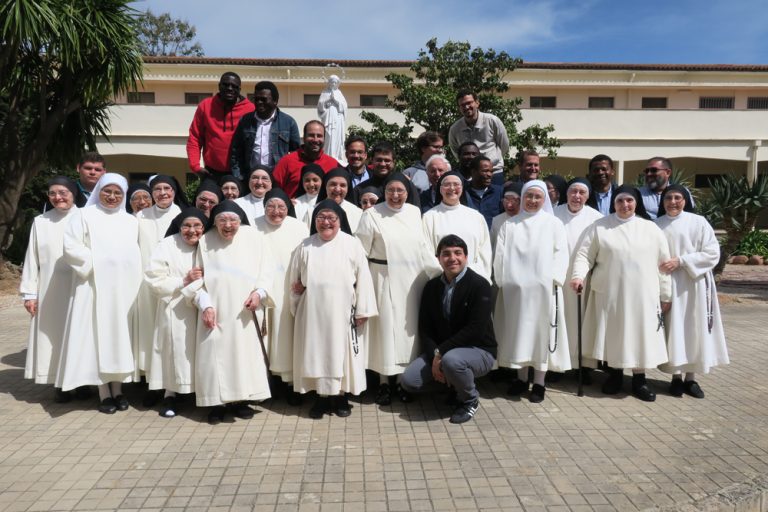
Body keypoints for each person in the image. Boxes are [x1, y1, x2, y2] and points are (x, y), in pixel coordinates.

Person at [570, 185, 672, 402]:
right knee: (613, 336)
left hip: (642, 295)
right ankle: (615, 376)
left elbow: (663, 264)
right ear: (614, 203)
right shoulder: (600, 227)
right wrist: (578, 276)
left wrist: (665, 294)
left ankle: (639, 380)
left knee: (639, 337)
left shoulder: (651, 229)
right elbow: (584, 256)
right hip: (610, 293)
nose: (625, 205)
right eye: (620, 201)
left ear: (636, 203)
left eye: (629, 201)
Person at [58, 173, 142, 414]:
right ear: (99, 192)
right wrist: (99, 263)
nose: (112, 197)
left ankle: (118, 389)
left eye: (118, 193)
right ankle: (103, 392)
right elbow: (71, 247)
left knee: (118, 338)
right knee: (97, 337)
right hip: (93, 287)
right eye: (107, 191)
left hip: (123, 290)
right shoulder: (83, 216)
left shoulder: (131, 221)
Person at [288, 199, 377, 419]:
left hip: (343, 309)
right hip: (312, 312)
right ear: (314, 221)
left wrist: (363, 310)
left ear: (340, 221)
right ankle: (321, 398)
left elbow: (364, 278)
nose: (326, 222)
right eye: (321, 218)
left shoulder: (352, 244)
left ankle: (340, 397)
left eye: (331, 218)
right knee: (317, 353)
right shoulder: (304, 245)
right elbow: (294, 279)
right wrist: (297, 298)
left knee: (342, 354)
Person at [356, 174, 438, 406]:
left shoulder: (413, 213)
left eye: (400, 190)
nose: (395, 195)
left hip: (412, 280)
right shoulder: (372, 214)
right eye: (391, 190)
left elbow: (423, 246)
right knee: (384, 330)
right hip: (382, 278)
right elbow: (360, 251)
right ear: (385, 192)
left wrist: (440, 272)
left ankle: (404, 381)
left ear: (407, 191)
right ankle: (384, 382)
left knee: (407, 331)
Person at [190, 200, 275, 424]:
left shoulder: (254, 237)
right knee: (214, 357)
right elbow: (198, 280)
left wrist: (259, 293)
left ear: (240, 221)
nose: (228, 225)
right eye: (222, 220)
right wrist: (205, 304)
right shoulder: (205, 240)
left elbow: (267, 271)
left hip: (244, 310)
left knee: (243, 356)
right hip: (215, 310)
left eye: (233, 220)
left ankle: (242, 400)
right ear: (214, 222)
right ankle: (215, 403)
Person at [401, 235, 497, 424]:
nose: (452, 258)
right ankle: (454, 386)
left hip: (478, 350)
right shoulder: (431, 287)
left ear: (466, 256)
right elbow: (425, 329)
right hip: (443, 353)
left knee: (453, 361)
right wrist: (435, 356)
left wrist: (440, 353)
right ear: (438, 259)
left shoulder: (480, 285)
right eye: (446, 254)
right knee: (409, 380)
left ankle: (469, 399)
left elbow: (475, 330)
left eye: (458, 253)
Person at [493, 180, 570, 403]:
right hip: (515, 291)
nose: (533, 201)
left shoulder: (553, 224)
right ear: (522, 198)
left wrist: (554, 279)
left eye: (537, 197)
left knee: (540, 335)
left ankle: (539, 382)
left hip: (544, 291)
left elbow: (560, 253)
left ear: (544, 199)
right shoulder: (510, 225)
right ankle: (520, 377)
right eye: (529, 196)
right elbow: (500, 255)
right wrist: (502, 281)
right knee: (519, 334)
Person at [655, 185, 728, 398]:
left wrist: (682, 261)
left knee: (694, 329)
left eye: (678, 197)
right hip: (670, 285)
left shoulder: (699, 222)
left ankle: (691, 378)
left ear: (685, 200)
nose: (673, 202)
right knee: (674, 330)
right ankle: (675, 378)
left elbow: (713, 253)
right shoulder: (656, 225)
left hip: (695, 283)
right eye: (669, 197)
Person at [20, 177, 80, 402]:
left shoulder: (84, 218)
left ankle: (82, 381)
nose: (58, 197)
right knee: (53, 336)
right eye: (53, 193)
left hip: (78, 288)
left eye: (63, 192)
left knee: (78, 335)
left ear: (73, 194)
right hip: (48, 291)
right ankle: (60, 384)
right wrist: (29, 293)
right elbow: (31, 257)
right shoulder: (41, 222)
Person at [144, 208, 207, 417]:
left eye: (197, 225)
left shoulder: (209, 244)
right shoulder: (167, 245)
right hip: (177, 306)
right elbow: (154, 279)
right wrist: (184, 280)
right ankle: (170, 395)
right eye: (186, 226)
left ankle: (205, 394)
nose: (192, 230)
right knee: (176, 351)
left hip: (206, 308)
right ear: (178, 227)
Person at [253, 189, 309, 405]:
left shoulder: (298, 227)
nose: (276, 212)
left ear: (289, 208)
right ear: (264, 207)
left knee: (287, 335)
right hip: (263, 288)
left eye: (281, 207)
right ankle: (267, 382)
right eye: (271, 207)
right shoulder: (253, 225)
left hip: (289, 289)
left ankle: (291, 383)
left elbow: (307, 255)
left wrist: (304, 281)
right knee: (265, 336)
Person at [136, 175, 185, 397]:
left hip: (175, 285)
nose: (163, 193)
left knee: (172, 336)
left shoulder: (183, 215)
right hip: (146, 285)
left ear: (175, 191)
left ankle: (173, 387)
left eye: (167, 188)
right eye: (157, 189)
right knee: (148, 334)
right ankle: (151, 383)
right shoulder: (140, 217)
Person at [553, 178, 603, 376]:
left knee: (584, 322)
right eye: (573, 192)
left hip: (585, 278)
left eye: (582, 193)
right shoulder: (554, 214)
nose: (577, 196)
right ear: (567, 194)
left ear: (588, 196)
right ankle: (557, 366)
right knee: (560, 319)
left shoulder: (596, 217)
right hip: (559, 277)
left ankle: (584, 367)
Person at [422, 172, 492, 282]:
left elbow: (485, 251)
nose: (452, 188)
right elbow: (426, 252)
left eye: (456, 184)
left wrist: (475, 276)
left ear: (462, 188)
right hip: (441, 281)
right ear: (440, 189)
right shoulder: (429, 217)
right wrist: (444, 276)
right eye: (447, 184)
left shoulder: (476, 217)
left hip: (473, 281)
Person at [186, 72, 255, 177]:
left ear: (239, 89)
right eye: (226, 85)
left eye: (234, 86)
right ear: (219, 86)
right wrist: (195, 166)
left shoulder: (250, 109)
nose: (230, 88)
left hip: (241, 173)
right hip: (211, 172)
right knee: (204, 194)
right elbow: (195, 137)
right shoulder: (205, 106)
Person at [229, 80, 300, 177]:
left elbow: (296, 154)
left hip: (277, 180)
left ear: (275, 101)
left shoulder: (288, 122)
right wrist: (239, 177)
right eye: (256, 99)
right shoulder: (245, 121)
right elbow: (236, 153)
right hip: (250, 179)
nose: (259, 102)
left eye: (263, 99)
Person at [448, 91, 510, 185]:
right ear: (459, 108)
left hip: (493, 173)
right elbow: (456, 151)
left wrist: (491, 163)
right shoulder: (455, 129)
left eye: (469, 103)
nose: (466, 107)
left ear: (477, 103)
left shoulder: (492, 121)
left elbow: (504, 146)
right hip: (468, 176)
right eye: (462, 105)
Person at [272, 120, 339, 197]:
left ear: (324, 138)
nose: (315, 139)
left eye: (319, 136)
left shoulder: (333, 164)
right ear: (304, 137)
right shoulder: (287, 161)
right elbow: (275, 190)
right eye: (311, 135)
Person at [312, 167, 364, 232]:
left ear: (348, 188)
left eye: (342, 185)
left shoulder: (357, 213)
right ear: (325, 186)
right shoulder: (312, 211)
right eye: (333, 184)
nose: (337, 189)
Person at [465, 155, 503, 228]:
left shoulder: (500, 192)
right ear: (473, 172)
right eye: (485, 171)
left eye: (491, 171)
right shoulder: (463, 193)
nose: (489, 174)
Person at [317, 74, 348, 163]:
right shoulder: (324, 93)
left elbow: (344, 107)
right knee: (328, 136)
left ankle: (336, 156)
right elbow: (320, 106)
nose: (333, 84)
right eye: (331, 82)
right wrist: (328, 100)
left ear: (337, 83)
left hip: (338, 119)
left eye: (335, 82)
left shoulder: (339, 93)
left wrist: (335, 101)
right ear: (329, 83)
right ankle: (327, 155)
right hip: (327, 117)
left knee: (337, 137)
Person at [490, 182, 522, 253]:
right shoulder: (496, 220)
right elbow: (491, 246)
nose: (509, 205)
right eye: (506, 200)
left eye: (514, 200)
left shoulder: (526, 220)